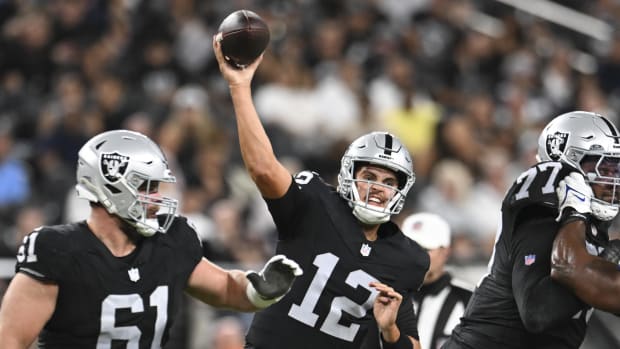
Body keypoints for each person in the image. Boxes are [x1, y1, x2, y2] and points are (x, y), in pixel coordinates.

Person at [213, 36, 430, 349]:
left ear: (401, 190)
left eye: (388, 182)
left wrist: (390, 332)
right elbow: (263, 168)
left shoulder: (407, 258)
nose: (378, 189)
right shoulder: (315, 203)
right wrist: (240, 87)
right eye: (369, 176)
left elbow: (410, 343)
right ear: (348, 176)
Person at [0, 129, 303, 348]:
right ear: (111, 186)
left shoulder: (170, 240)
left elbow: (225, 290)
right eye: (147, 187)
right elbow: (9, 340)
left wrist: (259, 289)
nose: (157, 199)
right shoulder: (58, 250)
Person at [442, 111, 620, 349]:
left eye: (615, 169)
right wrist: (598, 266)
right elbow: (538, 311)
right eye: (602, 167)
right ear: (569, 161)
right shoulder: (545, 191)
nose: (612, 179)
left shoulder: (593, 226)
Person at [401, 213, 472, 349]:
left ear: (445, 252)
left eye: (425, 249)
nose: (415, 257)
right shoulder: (383, 293)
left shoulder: (470, 300)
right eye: (409, 248)